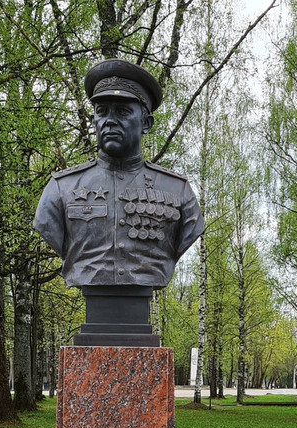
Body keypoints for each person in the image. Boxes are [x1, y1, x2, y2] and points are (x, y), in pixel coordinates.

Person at [33, 59, 205, 290]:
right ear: (94, 121)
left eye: (123, 111)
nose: (110, 121)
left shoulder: (178, 190)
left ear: (146, 123)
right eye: (102, 112)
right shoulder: (61, 188)